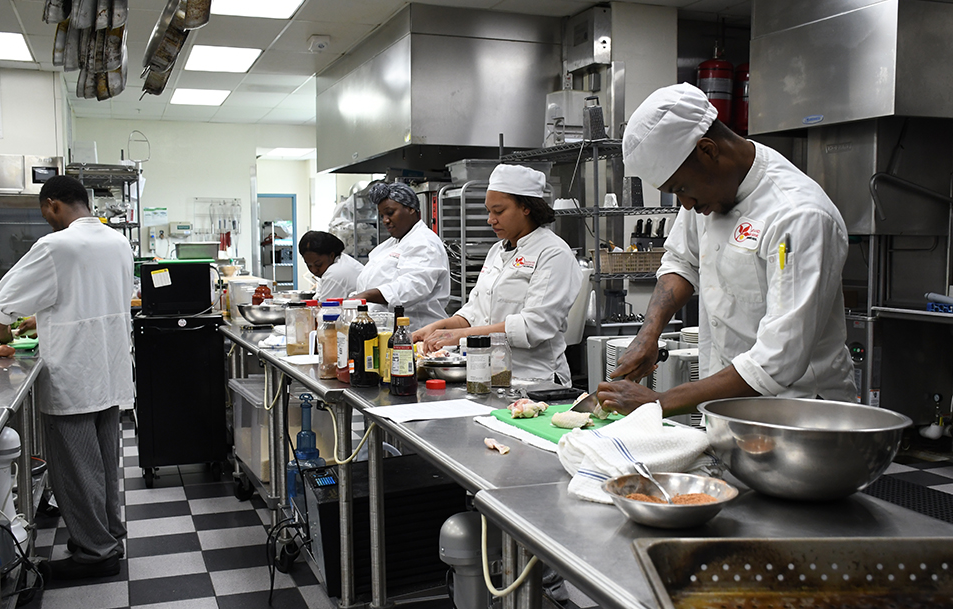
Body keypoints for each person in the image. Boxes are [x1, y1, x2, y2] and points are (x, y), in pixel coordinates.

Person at [598, 83, 856, 415]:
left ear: (708, 150)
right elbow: (681, 262)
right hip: (726, 407)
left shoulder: (798, 216)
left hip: (799, 416)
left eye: (681, 189)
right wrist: (649, 336)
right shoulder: (709, 192)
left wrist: (658, 403)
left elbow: (778, 359)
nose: (686, 205)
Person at [0, 175, 134, 580]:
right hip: (109, 368)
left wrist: (0, 336)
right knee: (104, 464)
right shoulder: (117, 241)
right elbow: (85, 298)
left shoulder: (56, 244)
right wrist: (43, 317)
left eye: (45, 213)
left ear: (53, 204)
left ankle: (96, 552)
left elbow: (2, 305)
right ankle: (109, 534)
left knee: (75, 468)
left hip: (74, 372)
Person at [414, 164, 582, 385]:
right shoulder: (497, 251)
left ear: (526, 207)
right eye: (489, 211)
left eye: (499, 211)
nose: (490, 219)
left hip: (536, 380)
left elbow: (532, 326)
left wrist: (462, 335)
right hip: (490, 375)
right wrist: (440, 327)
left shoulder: (553, 253)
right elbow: (475, 311)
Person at [352, 181, 450, 330]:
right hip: (387, 331)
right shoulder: (391, 244)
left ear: (411, 209)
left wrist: (365, 296)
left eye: (390, 213)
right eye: (382, 215)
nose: (385, 220)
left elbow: (412, 287)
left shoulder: (424, 242)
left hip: (417, 332)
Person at [299, 230, 363, 302]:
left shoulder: (336, 272)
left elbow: (325, 310)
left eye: (318, 265)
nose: (314, 270)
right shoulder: (341, 261)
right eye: (309, 265)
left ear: (331, 255)